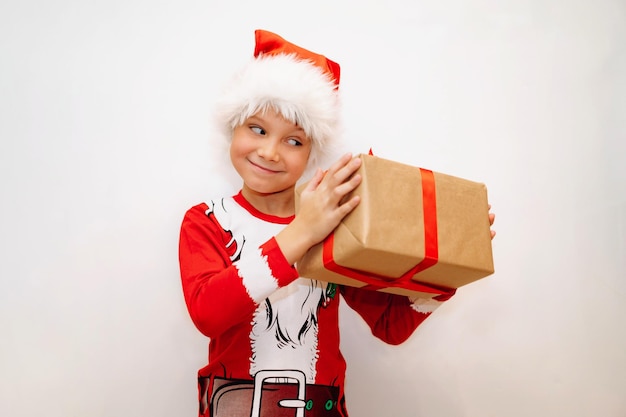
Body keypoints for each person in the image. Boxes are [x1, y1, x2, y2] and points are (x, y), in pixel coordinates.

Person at [178, 29, 496, 417]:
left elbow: (390, 327)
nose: (269, 151)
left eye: (294, 140)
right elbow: (208, 314)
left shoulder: (335, 225)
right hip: (236, 405)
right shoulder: (208, 221)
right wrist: (302, 233)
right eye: (257, 129)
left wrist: (448, 267)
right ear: (233, 128)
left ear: (313, 152)